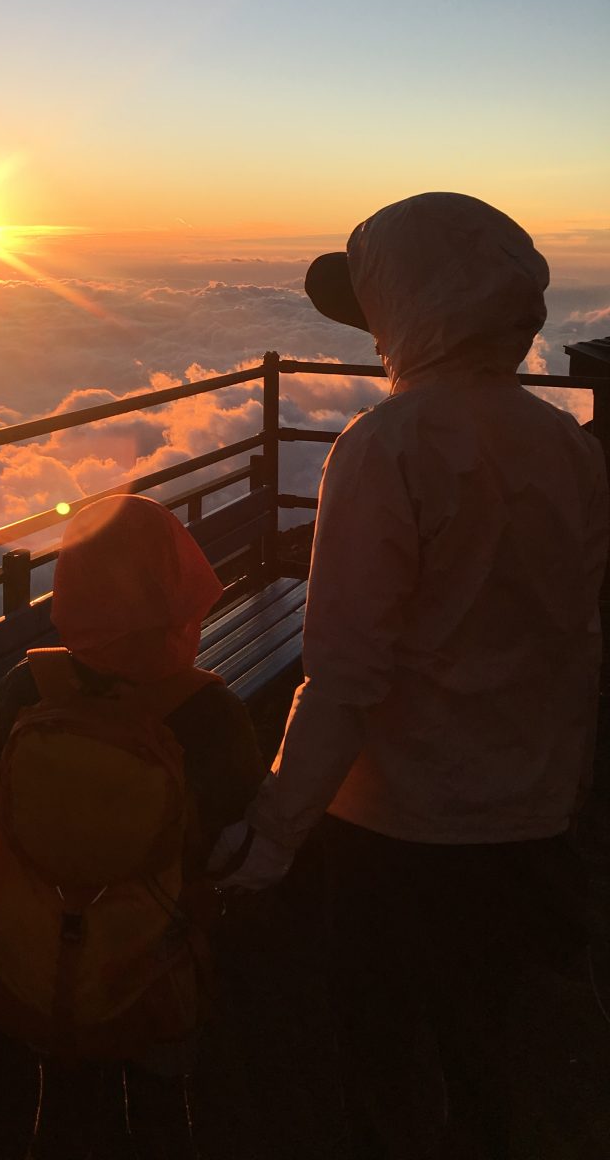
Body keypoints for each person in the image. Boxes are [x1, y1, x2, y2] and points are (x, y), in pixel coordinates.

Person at [213, 193, 609, 1159]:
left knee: (382, 1052)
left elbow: (344, 678)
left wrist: (270, 838)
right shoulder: (568, 446)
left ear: (415, 306)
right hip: (528, 812)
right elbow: (574, 635)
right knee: (487, 1048)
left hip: (399, 827)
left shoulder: (385, 447)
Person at [0, 494, 261, 1159]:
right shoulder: (210, 714)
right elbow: (240, 846)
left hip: (38, 963)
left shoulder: (26, 686)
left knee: (64, 1109)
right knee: (162, 1114)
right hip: (154, 973)